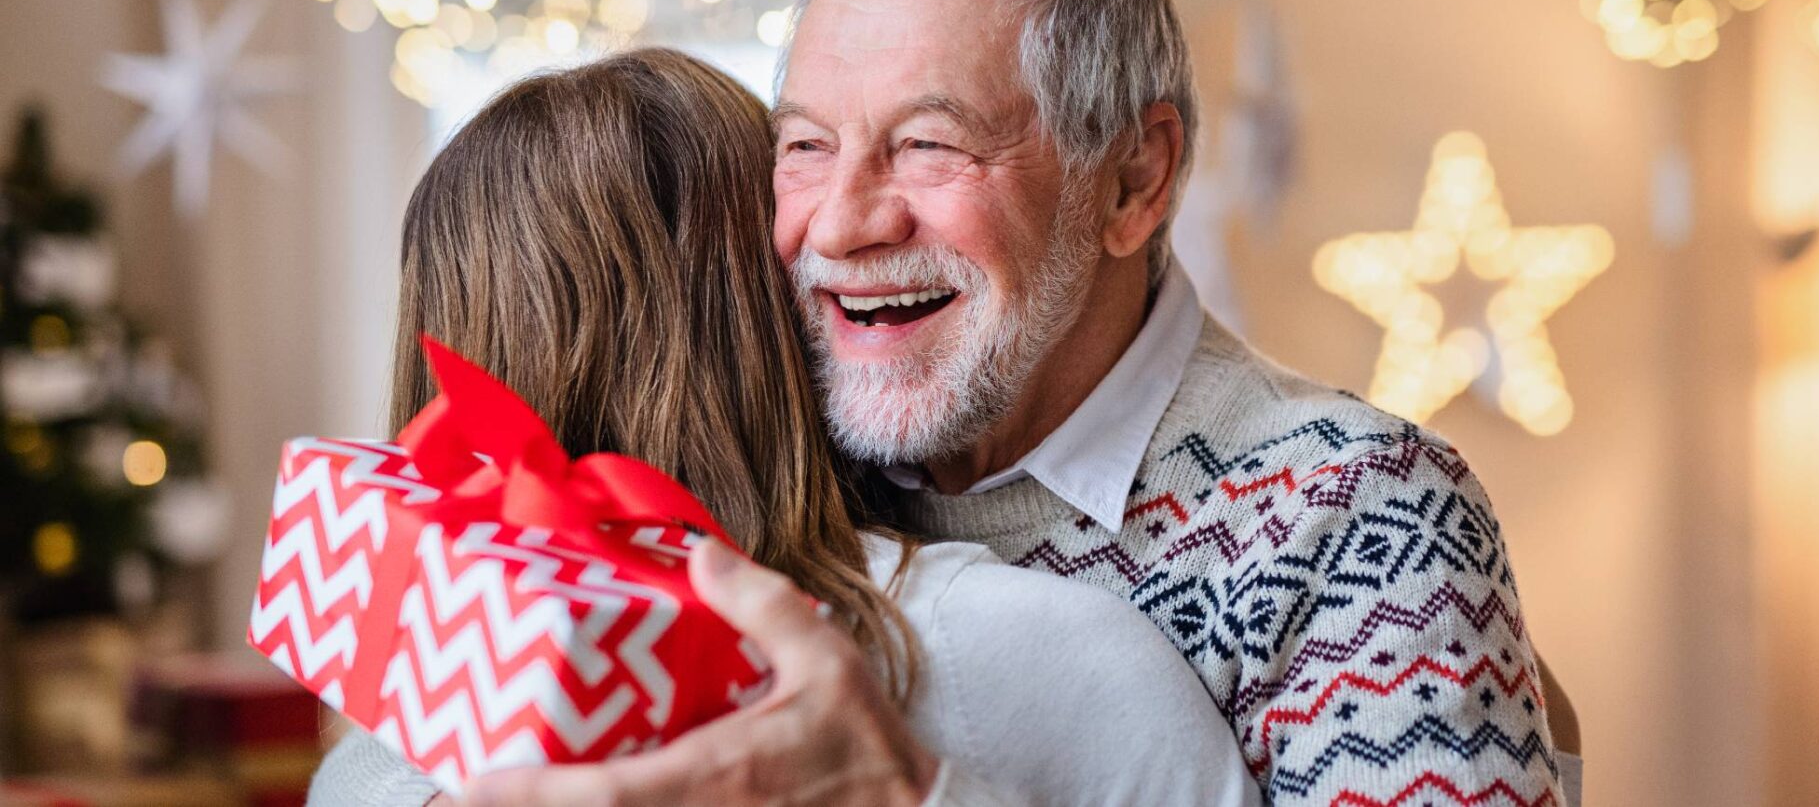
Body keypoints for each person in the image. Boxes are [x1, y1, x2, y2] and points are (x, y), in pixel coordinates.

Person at [466, 0, 1584, 805]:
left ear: (1132, 180)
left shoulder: (1359, 513)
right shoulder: (757, 440)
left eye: (929, 145)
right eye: (804, 146)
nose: (843, 224)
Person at [304, 47, 1262, 807]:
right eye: (803, 163)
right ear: (761, 305)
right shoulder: (1019, 649)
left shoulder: (402, 719)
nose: (841, 234)